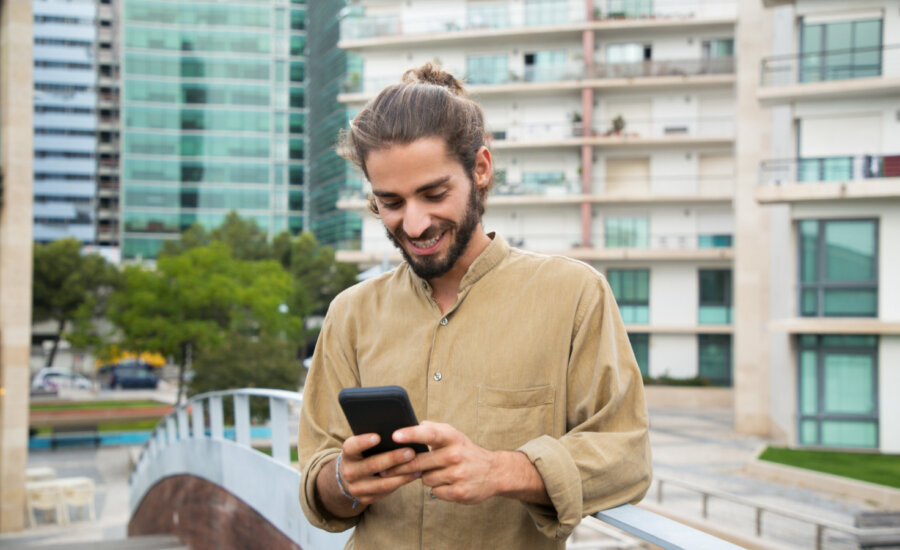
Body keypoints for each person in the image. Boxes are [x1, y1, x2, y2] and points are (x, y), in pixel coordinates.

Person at [298, 63, 652, 550]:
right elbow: (318, 480)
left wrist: (504, 470)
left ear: (480, 169)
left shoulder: (574, 294)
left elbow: (626, 455)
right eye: (391, 202)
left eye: (434, 193)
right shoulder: (350, 313)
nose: (415, 223)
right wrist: (343, 481)